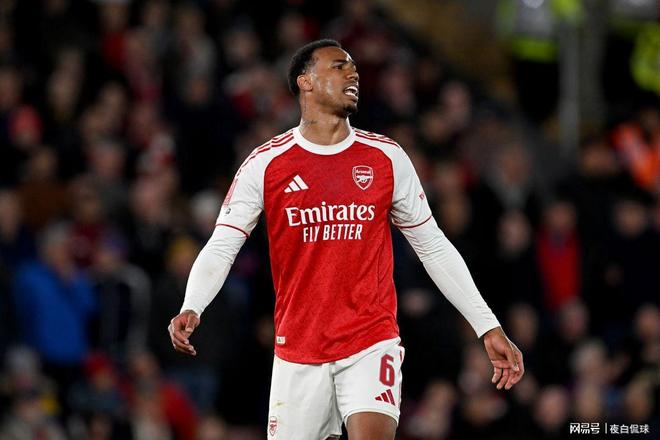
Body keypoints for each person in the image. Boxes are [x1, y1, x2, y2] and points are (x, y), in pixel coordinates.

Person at [169, 39, 524, 440]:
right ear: (305, 81)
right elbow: (222, 245)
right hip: (298, 349)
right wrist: (192, 304)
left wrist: (487, 325)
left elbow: (433, 245)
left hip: (370, 340)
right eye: (339, 66)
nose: (352, 73)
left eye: (354, 67)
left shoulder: (386, 158)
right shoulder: (266, 164)